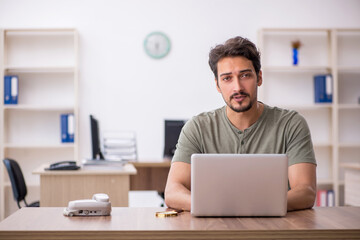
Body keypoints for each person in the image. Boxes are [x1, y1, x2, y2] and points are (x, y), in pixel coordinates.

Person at [164, 36, 317, 212]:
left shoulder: (291, 124)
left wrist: (249, 207)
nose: (237, 87)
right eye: (227, 78)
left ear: (259, 78)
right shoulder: (197, 127)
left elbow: (306, 192)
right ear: (217, 85)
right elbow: (173, 191)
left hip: (276, 230)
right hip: (214, 228)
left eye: (245, 75)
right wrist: (218, 207)